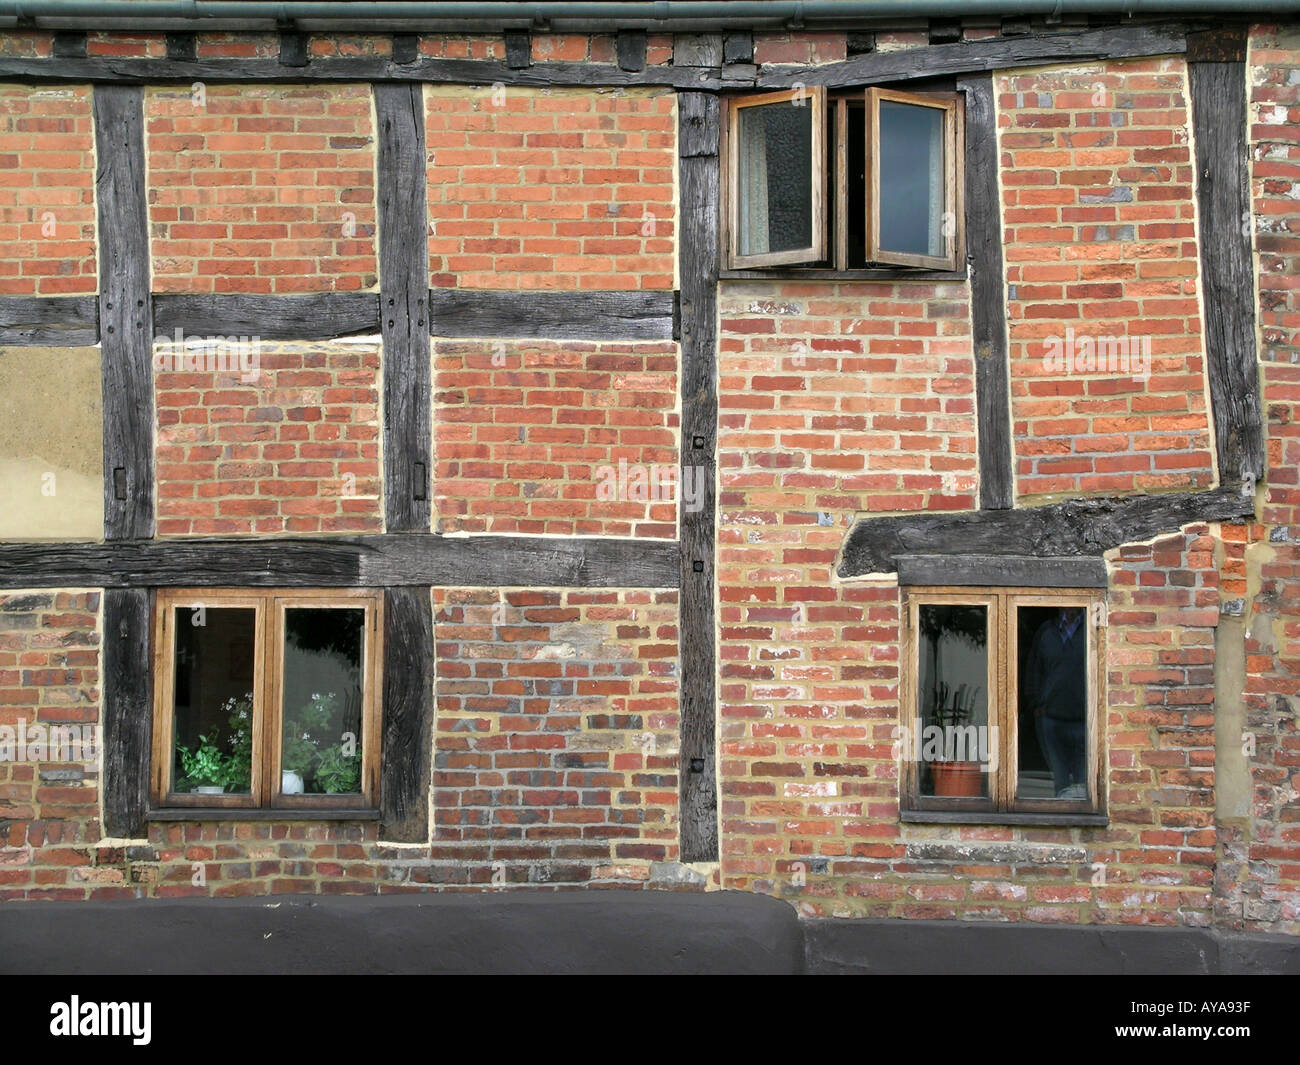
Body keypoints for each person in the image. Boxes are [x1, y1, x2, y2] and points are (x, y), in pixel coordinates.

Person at [1023, 607, 1088, 799]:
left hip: (1084, 719)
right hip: (1050, 718)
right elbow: (1034, 670)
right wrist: (1035, 704)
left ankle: (1079, 823)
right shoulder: (1047, 631)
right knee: (1059, 779)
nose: (1069, 607)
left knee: (1083, 781)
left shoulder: (1092, 627)